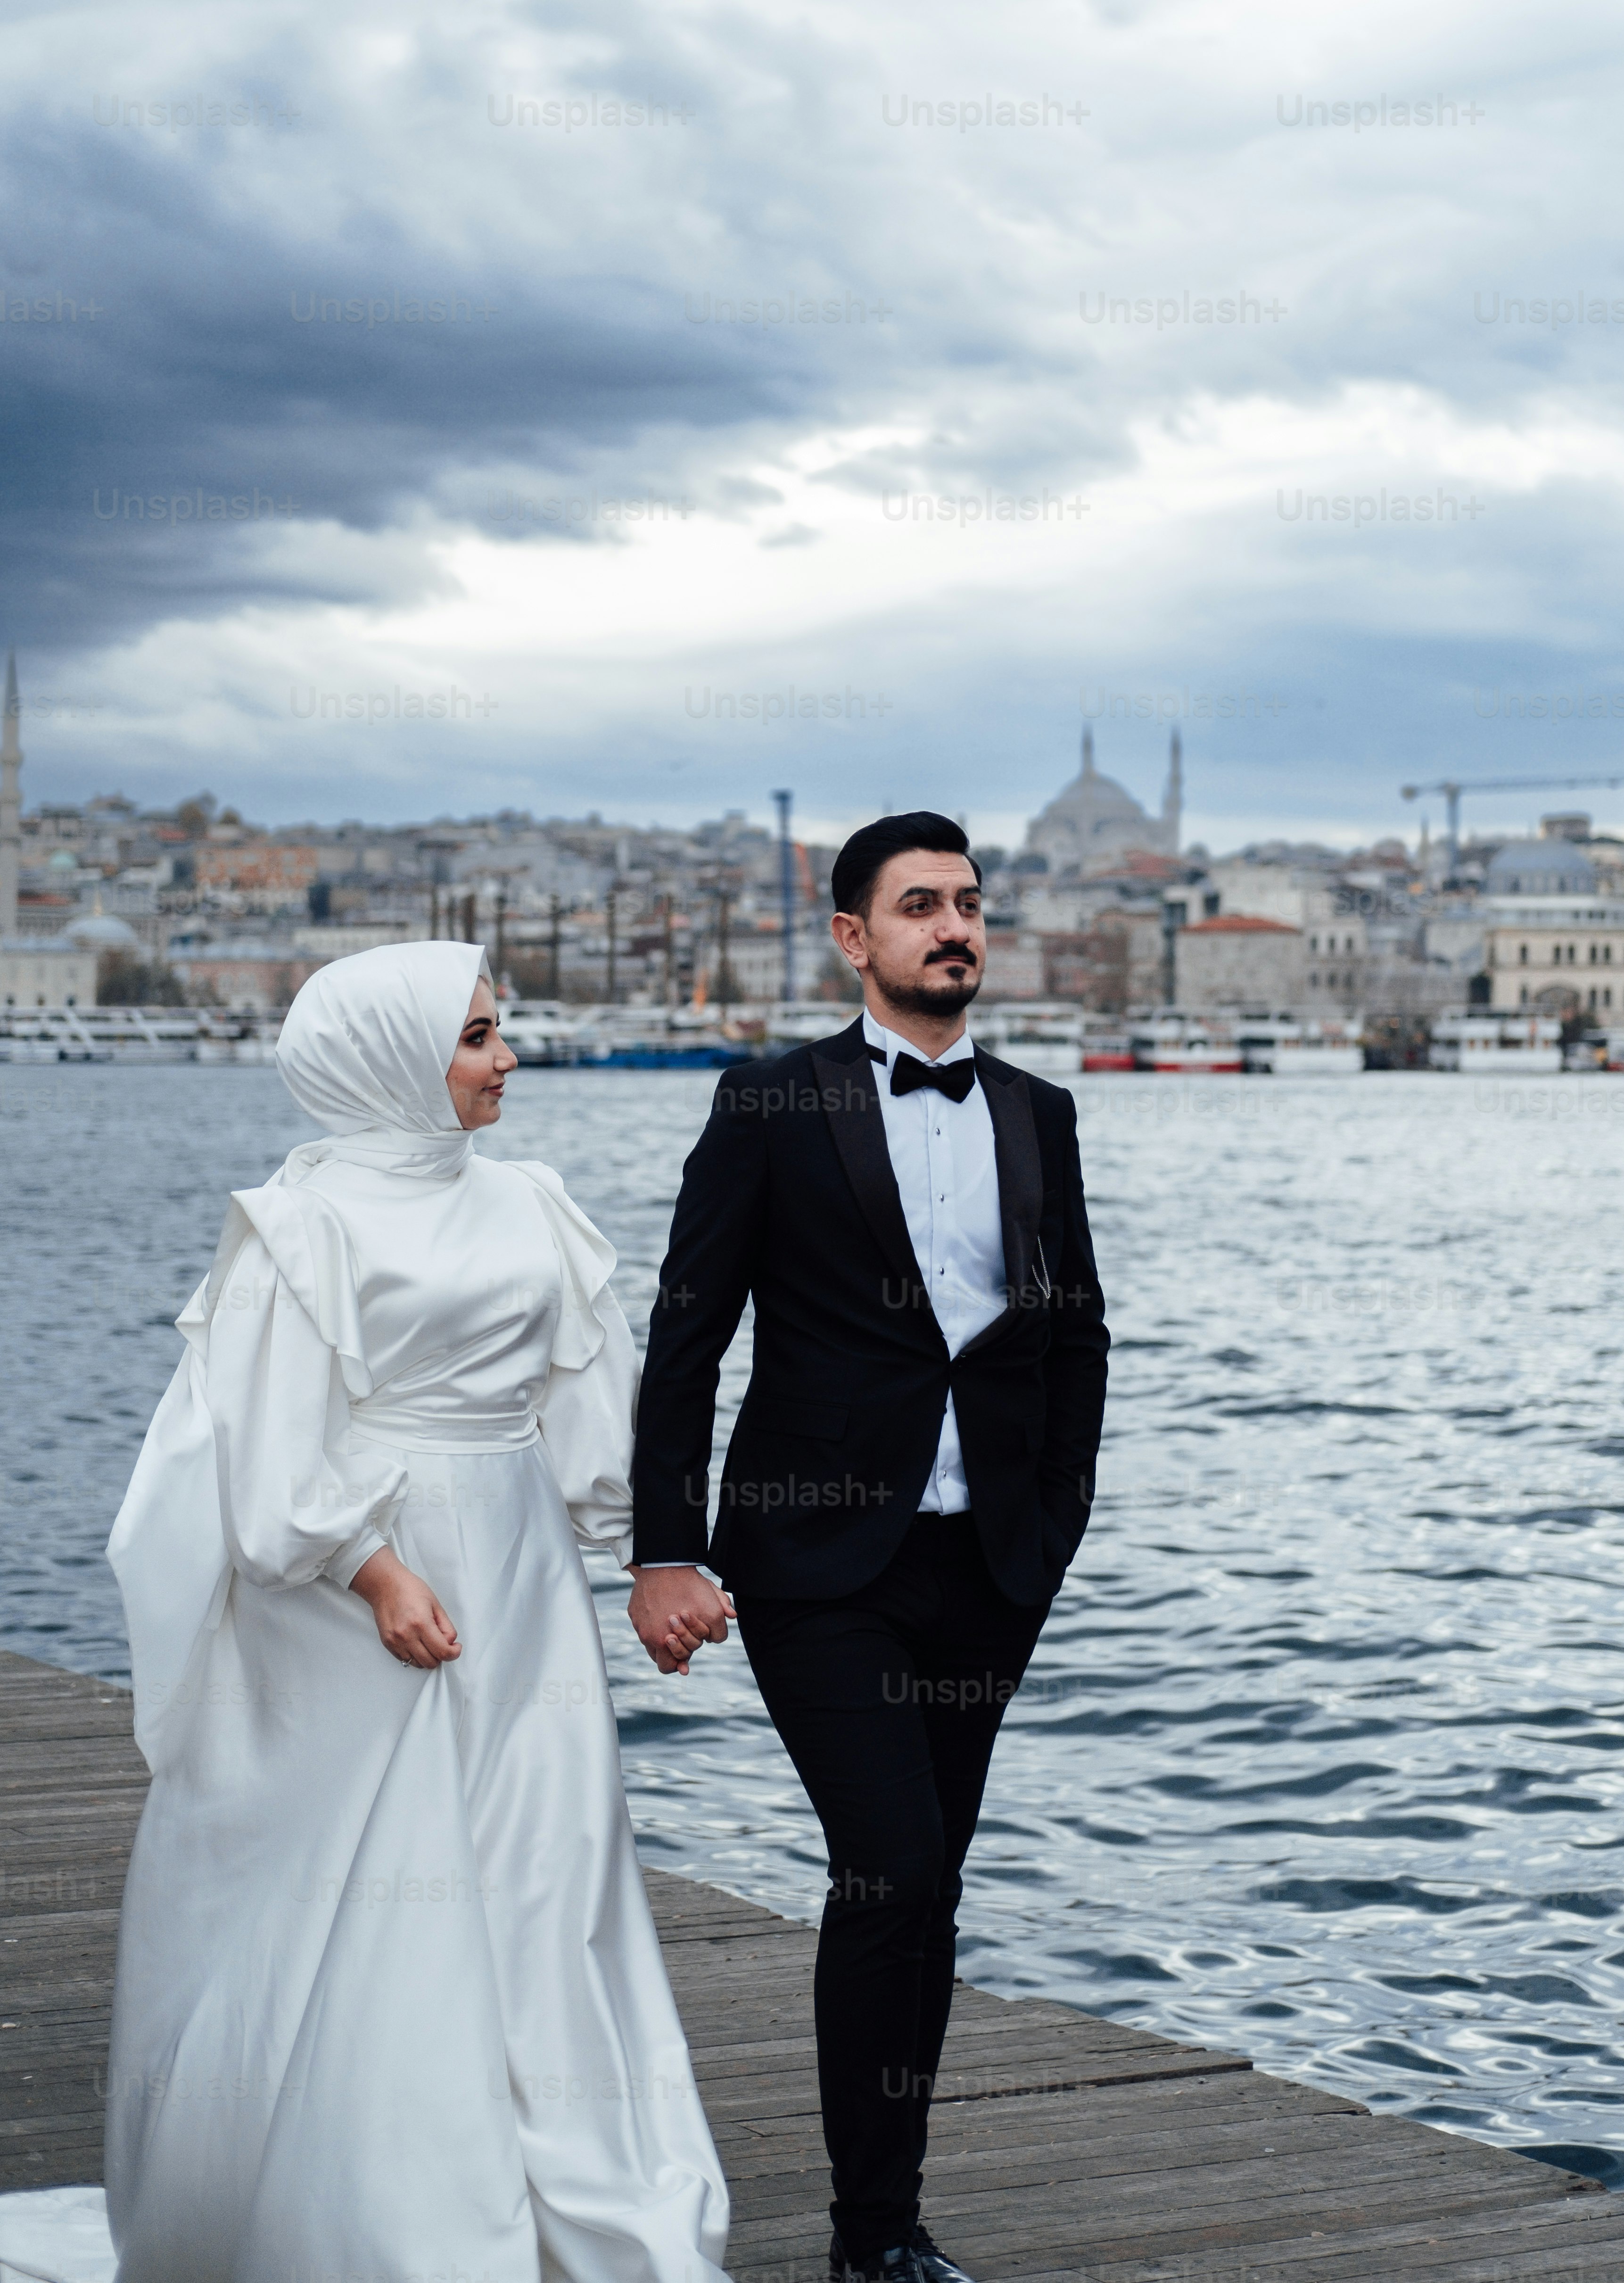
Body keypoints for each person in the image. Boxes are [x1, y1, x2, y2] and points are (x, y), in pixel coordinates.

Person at [89, 943, 727, 2283]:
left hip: (519, 1569)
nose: (509, 1059)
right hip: (351, 1586)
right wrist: (375, 1570)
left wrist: (645, 1557)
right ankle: (389, 2216)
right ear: (389, 1056)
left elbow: (580, 1397)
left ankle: (571, 2183)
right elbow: (271, 1444)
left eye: (501, 1032)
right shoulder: (302, 1223)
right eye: (480, 1036)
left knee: (547, 1860)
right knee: (378, 1876)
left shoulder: (533, 1201)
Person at [627, 813, 1108, 2283]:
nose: (953, 927)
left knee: (933, 1886)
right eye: (920, 906)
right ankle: (870, 2234)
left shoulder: (1039, 1111)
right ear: (855, 938)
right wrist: (666, 1548)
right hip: (815, 1564)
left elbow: (1076, 1334)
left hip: (991, 1570)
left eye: (969, 903)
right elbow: (688, 1337)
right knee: (891, 1868)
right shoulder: (771, 1101)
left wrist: (1057, 1518)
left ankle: (887, 2225)